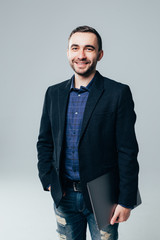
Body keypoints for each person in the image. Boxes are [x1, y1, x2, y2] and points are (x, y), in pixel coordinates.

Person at [37, 25, 139, 240]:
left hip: (103, 197)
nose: (81, 55)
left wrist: (126, 201)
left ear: (99, 54)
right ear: (68, 53)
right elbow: (45, 142)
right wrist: (47, 179)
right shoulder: (53, 93)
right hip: (63, 195)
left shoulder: (118, 93)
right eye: (75, 48)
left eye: (89, 48)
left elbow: (127, 151)